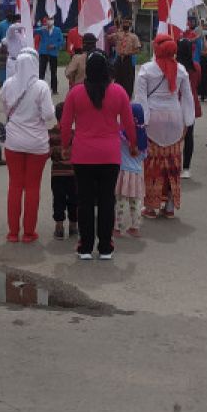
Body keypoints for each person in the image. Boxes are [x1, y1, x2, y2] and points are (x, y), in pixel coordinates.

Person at [59, 52, 137, 259]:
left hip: (83, 154)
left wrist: (65, 145)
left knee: (84, 201)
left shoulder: (75, 93)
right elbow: (129, 123)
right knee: (106, 200)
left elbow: (65, 123)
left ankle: (85, 246)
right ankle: (105, 247)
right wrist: (133, 145)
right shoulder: (119, 92)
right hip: (110, 155)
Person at [135, 34, 195, 219]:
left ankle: (151, 207)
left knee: (152, 164)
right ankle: (169, 206)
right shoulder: (182, 70)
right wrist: (188, 120)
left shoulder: (146, 70)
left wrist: (142, 122)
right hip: (175, 117)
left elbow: (140, 99)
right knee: (172, 162)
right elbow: (187, 97)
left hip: (153, 117)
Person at [1, 48, 55, 242]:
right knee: (33, 187)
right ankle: (29, 232)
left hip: (13, 141)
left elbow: (5, 106)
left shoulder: (8, 84)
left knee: (15, 186)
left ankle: (13, 232)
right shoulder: (41, 86)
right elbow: (49, 115)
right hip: (37, 143)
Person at [115, 103, 148, 238]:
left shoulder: (122, 135)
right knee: (135, 202)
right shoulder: (143, 138)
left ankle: (117, 228)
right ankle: (135, 227)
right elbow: (145, 155)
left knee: (120, 202)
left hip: (123, 173)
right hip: (137, 174)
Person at [48, 101, 77, 240]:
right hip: (73, 173)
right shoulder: (75, 134)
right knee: (74, 199)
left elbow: (49, 153)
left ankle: (59, 227)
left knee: (58, 199)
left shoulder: (51, 133)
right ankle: (73, 226)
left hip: (57, 173)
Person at [176, 38, 202, 178]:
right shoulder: (196, 66)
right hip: (191, 103)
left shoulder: (175, 67)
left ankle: (174, 164)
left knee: (173, 137)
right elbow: (197, 83)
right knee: (189, 136)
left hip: (176, 103)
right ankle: (186, 168)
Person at [110, 18, 141, 97]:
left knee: (128, 79)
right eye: (124, 24)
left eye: (127, 25)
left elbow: (137, 50)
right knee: (117, 77)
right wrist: (117, 29)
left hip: (128, 59)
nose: (125, 26)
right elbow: (109, 37)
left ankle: (127, 95)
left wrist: (128, 52)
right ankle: (116, 93)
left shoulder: (134, 37)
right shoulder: (118, 34)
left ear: (130, 26)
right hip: (119, 59)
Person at [37, 18, 64, 93]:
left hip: (53, 53)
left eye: (51, 19)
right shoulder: (43, 29)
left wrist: (54, 45)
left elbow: (61, 41)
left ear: (53, 20)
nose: (49, 21)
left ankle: (54, 89)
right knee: (41, 71)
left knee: (53, 71)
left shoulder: (58, 30)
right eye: (48, 19)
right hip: (43, 52)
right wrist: (42, 28)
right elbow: (34, 31)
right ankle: (39, 88)